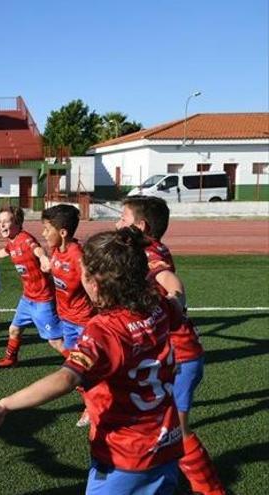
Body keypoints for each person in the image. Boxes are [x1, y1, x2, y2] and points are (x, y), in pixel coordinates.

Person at [0, 228, 185, 495]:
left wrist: (2, 406)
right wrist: (162, 276)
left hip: (127, 455)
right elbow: (177, 297)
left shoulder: (105, 330)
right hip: (167, 445)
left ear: (94, 283)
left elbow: (66, 378)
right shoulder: (158, 308)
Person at [116, 196, 224, 495]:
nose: (117, 224)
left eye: (122, 219)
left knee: (178, 429)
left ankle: (211, 490)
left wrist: (171, 308)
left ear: (140, 226)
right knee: (163, 428)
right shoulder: (144, 249)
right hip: (171, 354)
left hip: (181, 355)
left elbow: (172, 284)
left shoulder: (149, 252)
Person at [0, 206, 64, 367]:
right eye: (0, 222)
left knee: (55, 342)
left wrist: (43, 258)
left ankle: (84, 366)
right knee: (14, 329)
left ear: (18, 222)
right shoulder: (12, 241)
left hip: (43, 299)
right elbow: (7, 250)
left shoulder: (25, 238)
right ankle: (10, 358)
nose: (1, 225)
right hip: (27, 298)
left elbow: (37, 248)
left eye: (6, 221)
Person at [41, 204, 94, 426]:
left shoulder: (77, 257)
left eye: (46, 229)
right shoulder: (56, 250)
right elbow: (53, 269)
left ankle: (93, 408)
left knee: (85, 369)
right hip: (67, 320)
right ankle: (92, 402)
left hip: (84, 322)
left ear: (62, 232)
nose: (43, 233)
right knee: (77, 367)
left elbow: (91, 286)